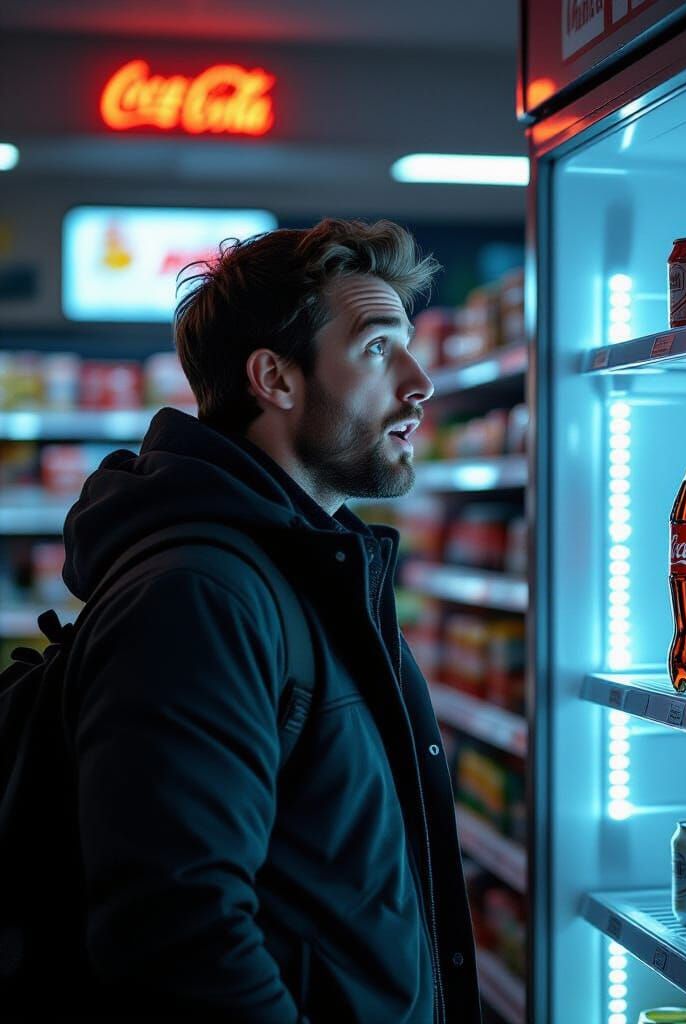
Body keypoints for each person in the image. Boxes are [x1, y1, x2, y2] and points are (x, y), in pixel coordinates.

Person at [60, 219, 481, 1023]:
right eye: (377, 348)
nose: (420, 381)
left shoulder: (308, 568)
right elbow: (177, 936)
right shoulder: (199, 597)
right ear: (275, 380)